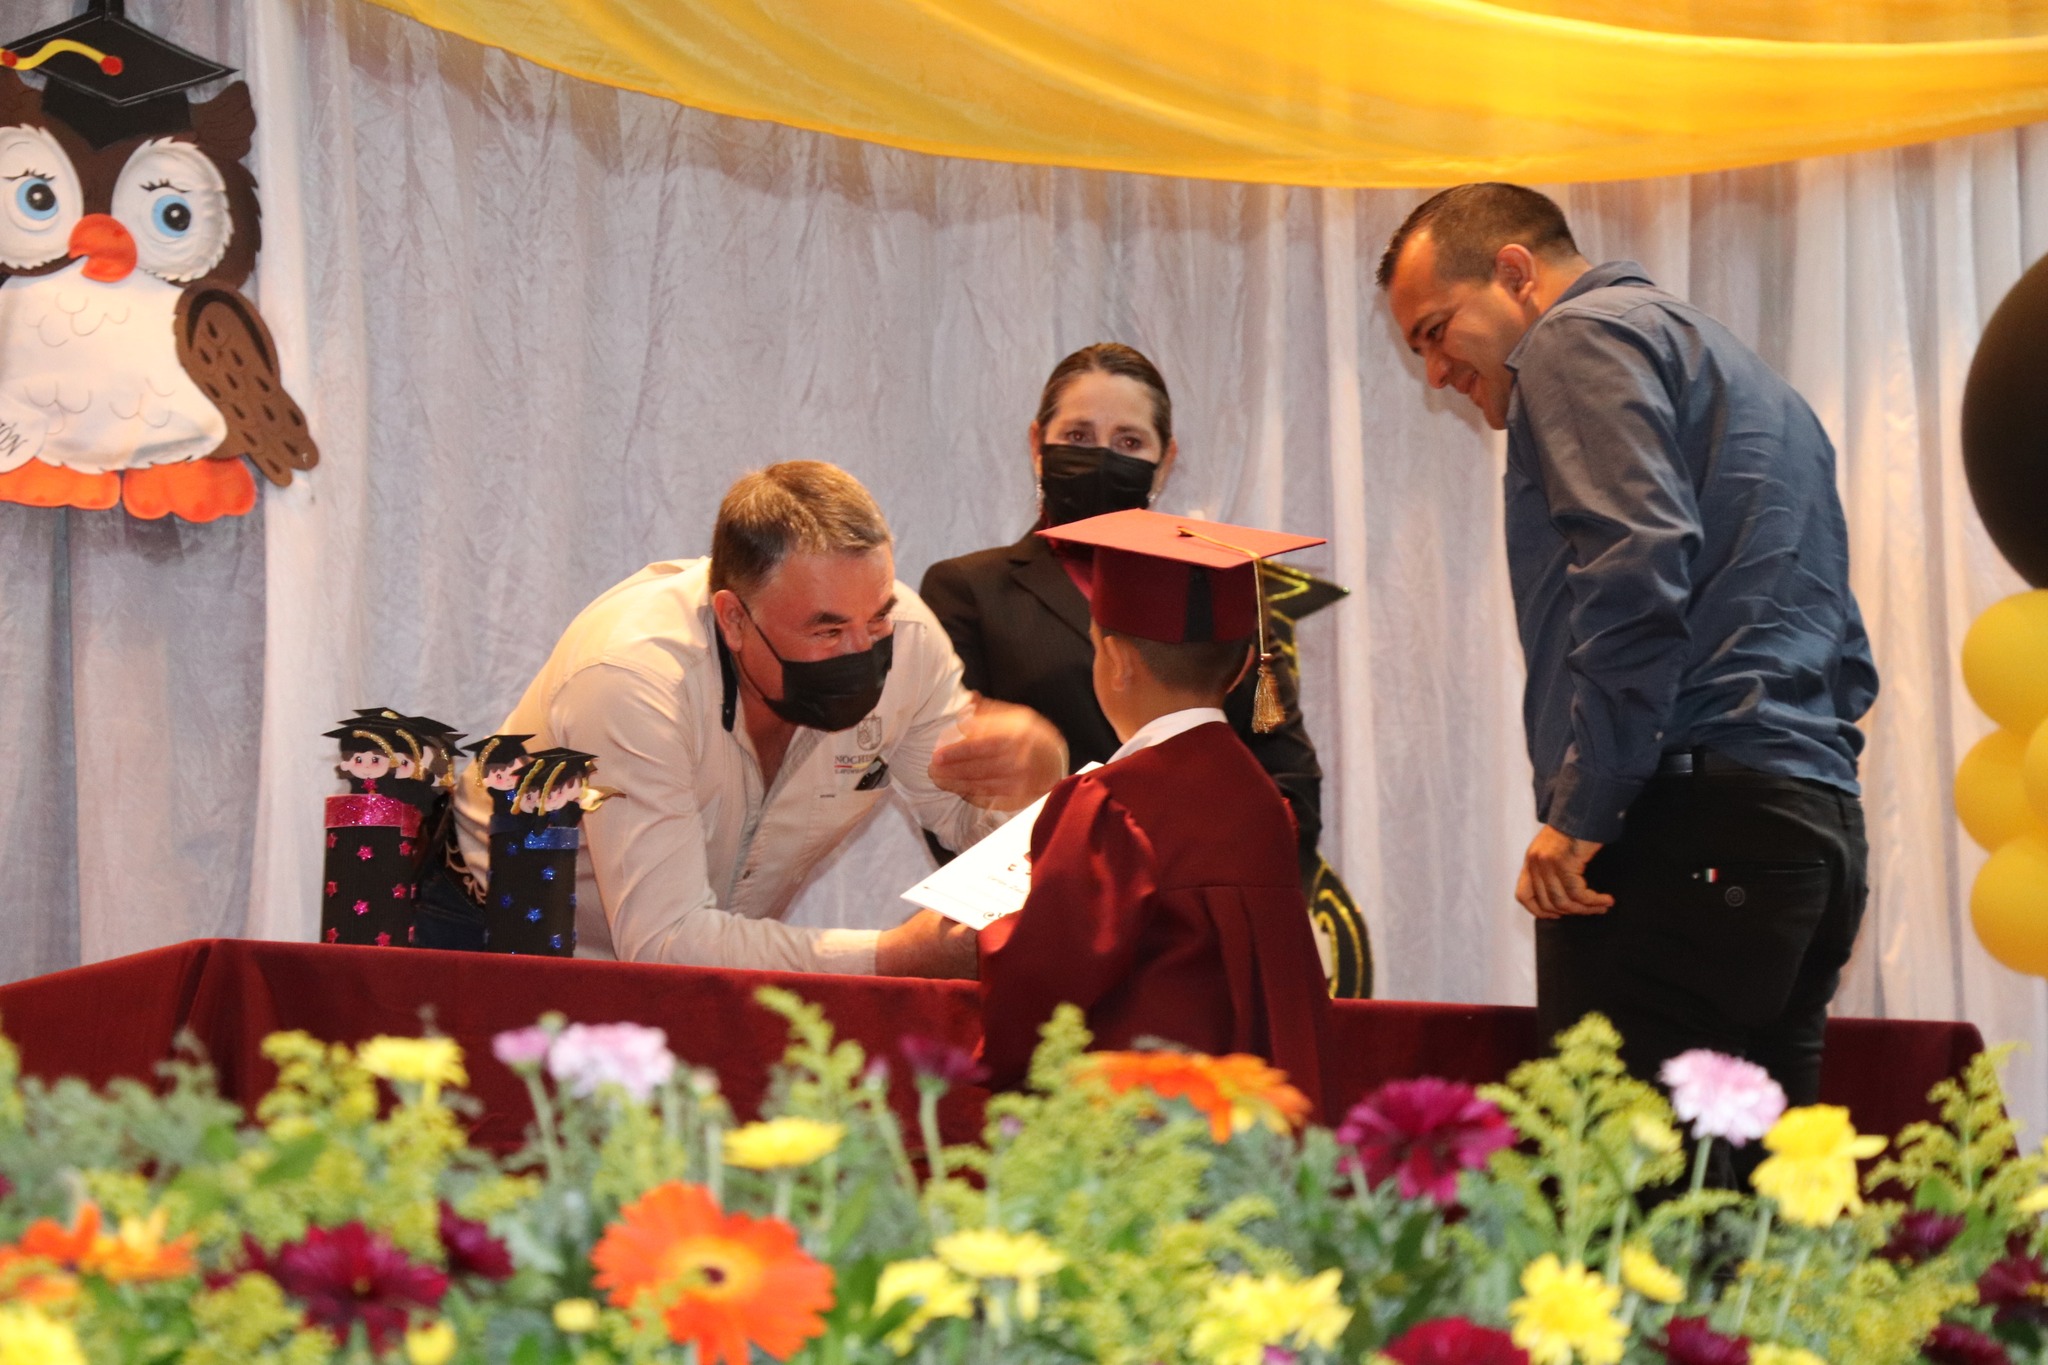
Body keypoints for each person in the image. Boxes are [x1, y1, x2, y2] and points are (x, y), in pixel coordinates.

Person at [1377, 183, 1879, 1118]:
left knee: (1625, 1209)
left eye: (1436, 331)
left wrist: (1587, 808)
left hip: (1679, 830)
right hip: (1808, 830)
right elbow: (1845, 647)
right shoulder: (1749, 376)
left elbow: (1636, 562)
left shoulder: (1573, 339)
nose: (1437, 372)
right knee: (1761, 1221)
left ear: (1516, 274)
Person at [429, 461, 1068, 976]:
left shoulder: (906, 635)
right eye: (827, 630)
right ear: (733, 619)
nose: (863, 651)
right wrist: (890, 957)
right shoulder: (633, 676)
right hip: (487, 938)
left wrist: (1036, 781)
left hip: (703, 961)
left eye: (874, 617)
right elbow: (664, 941)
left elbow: (963, 824)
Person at [978, 509, 1332, 1115]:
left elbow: (1039, 995)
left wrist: (995, 921)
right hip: (1251, 1128)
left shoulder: (1109, 806)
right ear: (1246, 666)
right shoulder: (1267, 806)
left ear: (1115, 661)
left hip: (1145, 1127)